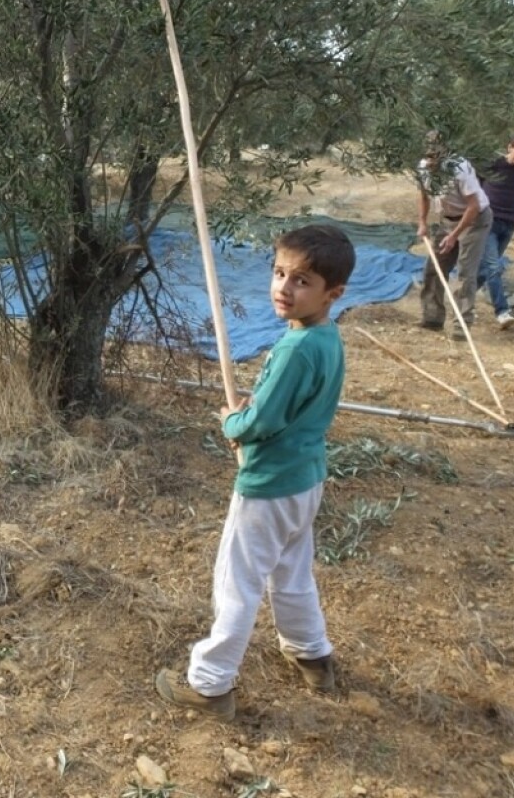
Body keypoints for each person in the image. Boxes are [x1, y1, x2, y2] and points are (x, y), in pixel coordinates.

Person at [155, 224, 356, 721]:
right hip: (304, 480)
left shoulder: (296, 348)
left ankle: (209, 684)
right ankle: (312, 656)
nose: (284, 288)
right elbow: (287, 406)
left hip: (268, 489)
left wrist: (235, 421)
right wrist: (255, 412)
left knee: (237, 583)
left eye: (302, 281)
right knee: (290, 575)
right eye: (279, 273)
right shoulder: (324, 337)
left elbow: (262, 422)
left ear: (334, 293)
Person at [415, 130, 492, 337]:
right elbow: (423, 196)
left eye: (435, 153)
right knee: (434, 267)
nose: (430, 157)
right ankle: (432, 318)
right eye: (427, 152)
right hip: (447, 220)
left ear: (445, 151)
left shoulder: (460, 168)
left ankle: (461, 326)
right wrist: (422, 222)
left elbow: (474, 206)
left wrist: (455, 235)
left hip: (474, 221)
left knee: (465, 272)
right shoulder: (422, 168)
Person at [476, 131, 514, 329]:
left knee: (485, 271)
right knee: (494, 267)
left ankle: (463, 297)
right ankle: (502, 312)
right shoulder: (492, 163)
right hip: (488, 222)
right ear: (509, 147)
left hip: (509, 223)